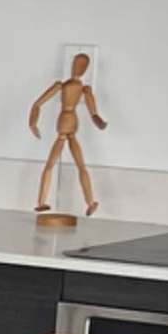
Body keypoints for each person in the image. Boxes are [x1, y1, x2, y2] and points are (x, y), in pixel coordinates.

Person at [30, 53, 106, 227]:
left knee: (54, 164)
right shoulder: (74, 87)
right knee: (76, 165)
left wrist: (33, 123)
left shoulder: (70, 87)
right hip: (69, 121)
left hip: (66, 121)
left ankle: (87, 202)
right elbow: (37, 104)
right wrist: (33, 123)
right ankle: (88, 201)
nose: (78, 68)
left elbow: (37, 104)